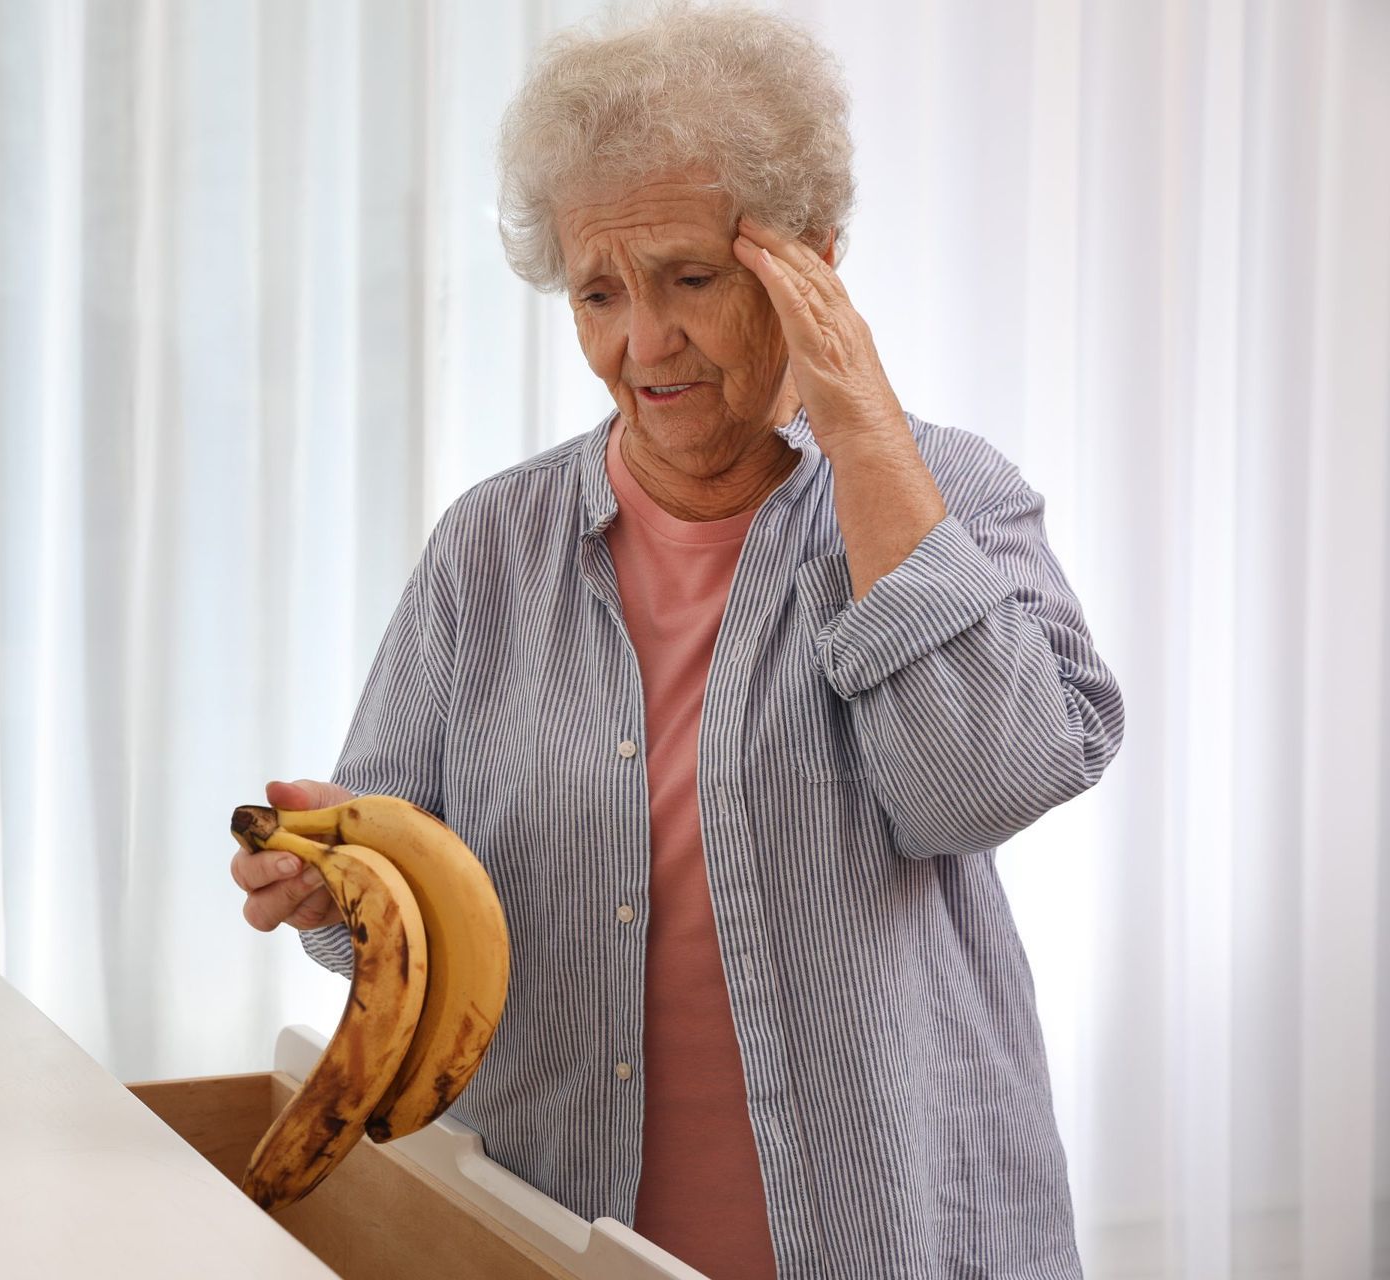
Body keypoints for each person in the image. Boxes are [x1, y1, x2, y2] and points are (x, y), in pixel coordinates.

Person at [229, 5, 1123, 1277]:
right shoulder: (489, 549)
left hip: (894, 1235)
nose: (642, 343)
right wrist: (329, 889)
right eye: (599, 292)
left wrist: (862, 429)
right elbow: (399, 905)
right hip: (549, 1232)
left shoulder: (953, 493)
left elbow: (982, 781)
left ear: (808, 258)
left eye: (690, 278)